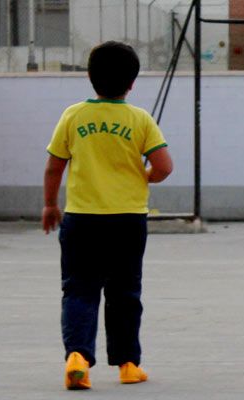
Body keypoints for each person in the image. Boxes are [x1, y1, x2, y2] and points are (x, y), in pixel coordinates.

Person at [42, 41, 173, 390]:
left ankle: (78, 358)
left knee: (79, 291)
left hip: (82, 219)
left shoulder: (73, 115)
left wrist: (50, 204)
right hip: (128, 221)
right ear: (132, 83)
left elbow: (55, 166)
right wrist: (143, 176)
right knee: (125, 293)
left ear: (90, 77)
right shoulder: (139, 119)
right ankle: (128, 364)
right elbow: (163, 167)